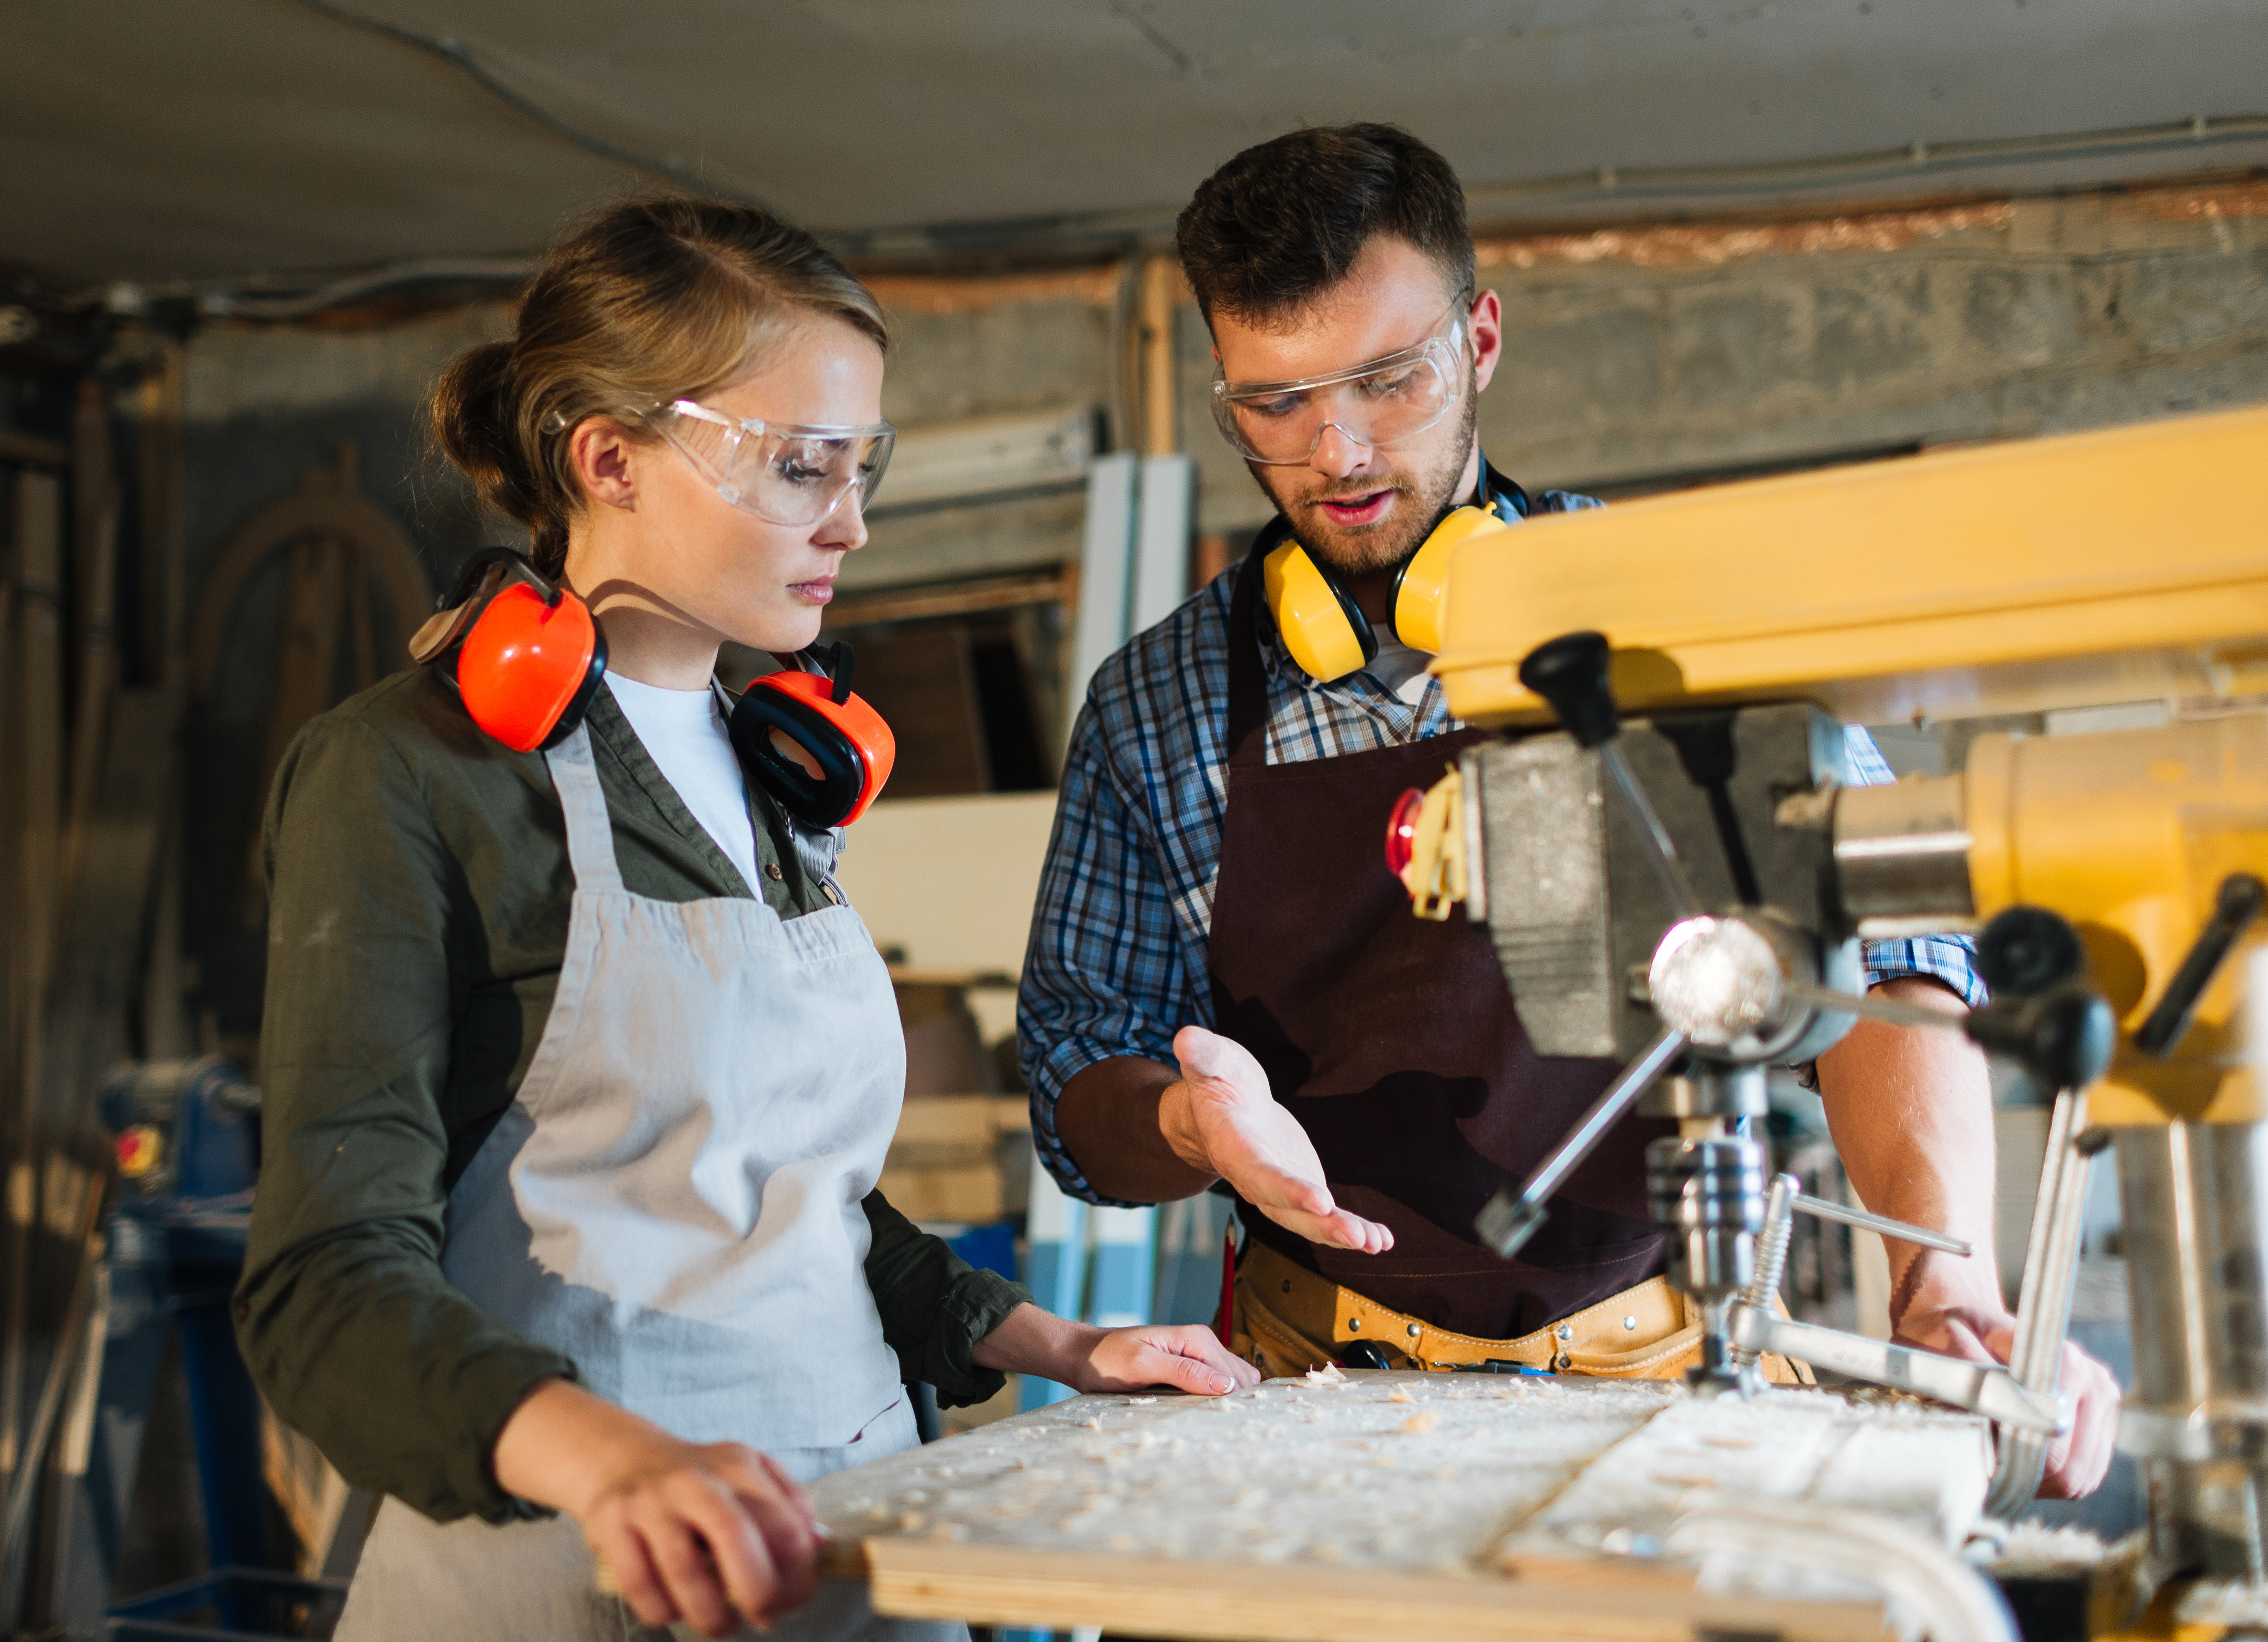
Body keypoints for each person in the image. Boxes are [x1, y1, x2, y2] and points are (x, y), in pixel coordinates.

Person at [1017, 124, 2118, 1497]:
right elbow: (1079, 1085)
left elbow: (1888, 953)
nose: (1337, 449)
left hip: (1661, 1375)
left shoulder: (1670, 632)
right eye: (1274, 404)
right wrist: (1189, 1123)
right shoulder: (1156, 707)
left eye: (1387, 377)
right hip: (1305, 1392)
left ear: (1480, 336)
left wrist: (1944, 1279)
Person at [236, 196, 1258, 1642]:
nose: (849, 519)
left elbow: (795, 1204)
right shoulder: (412, 771)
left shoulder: (778, 766)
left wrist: (1066, 1346)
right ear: (608, 456)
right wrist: (613, 1458)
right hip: (578, 1562)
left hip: (851, 1540)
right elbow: (323, 1288)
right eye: (798, 467)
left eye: (860, 466)